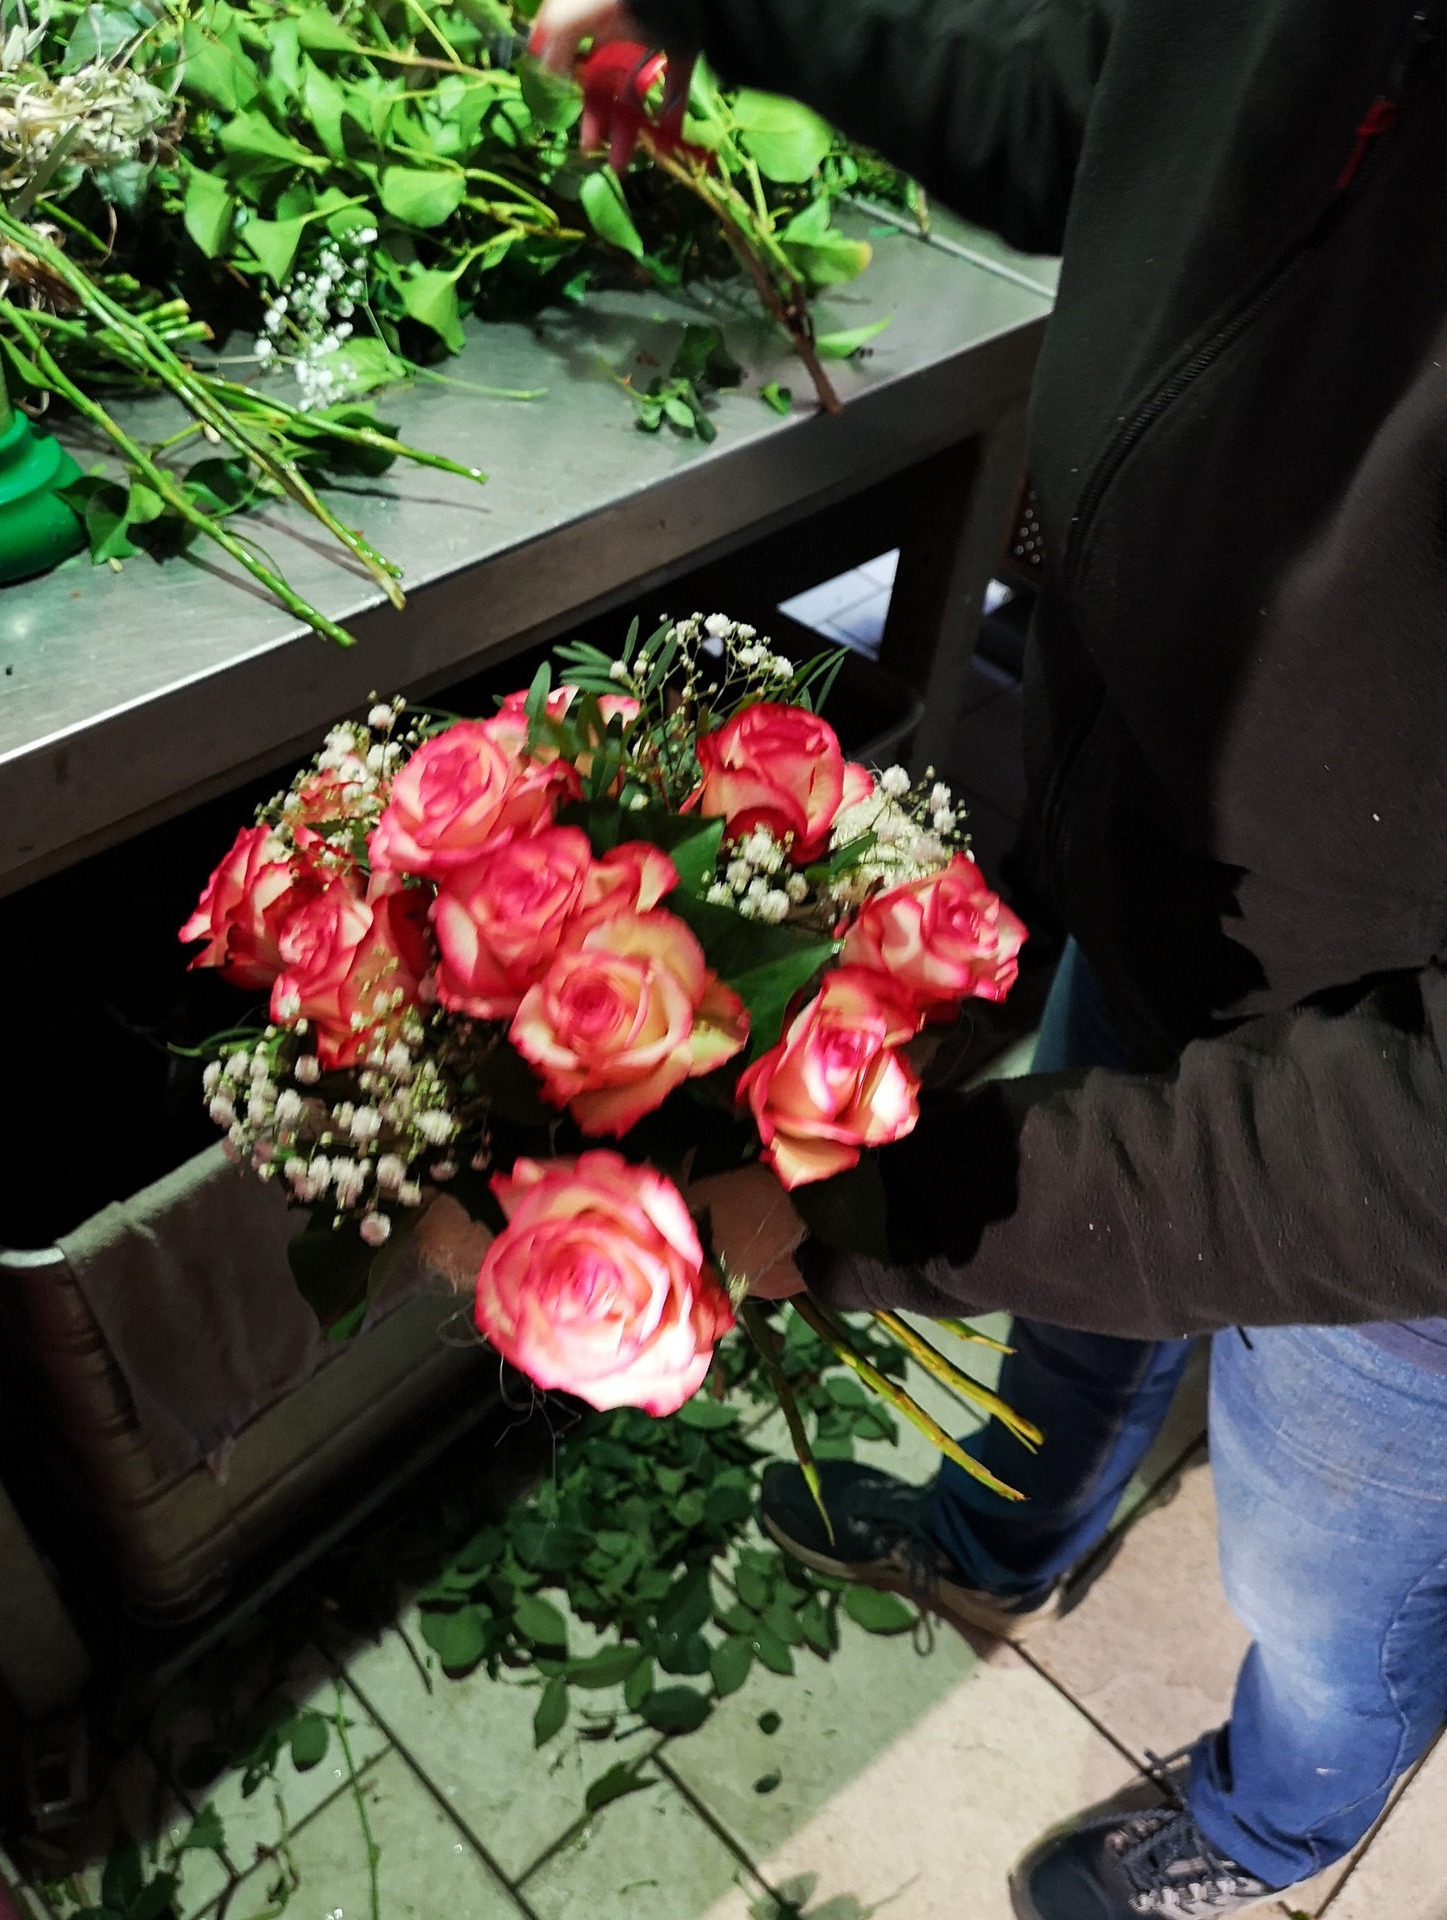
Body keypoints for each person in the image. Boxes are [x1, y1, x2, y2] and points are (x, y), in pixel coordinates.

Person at [531, 1, 1447, 1915]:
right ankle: (1004, 1525)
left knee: (1325, 1553)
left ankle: (1279, 1823)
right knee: (1086, 1305)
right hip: (1160, 877)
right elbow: (1094, 112)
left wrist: (892, 1205)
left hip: (1397, 1151)